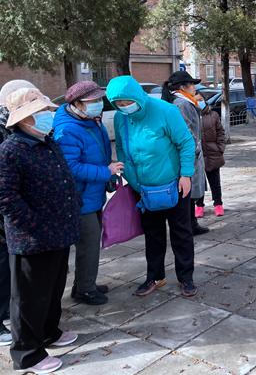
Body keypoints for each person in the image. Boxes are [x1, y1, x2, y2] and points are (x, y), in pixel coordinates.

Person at [0, 88, 82, 374]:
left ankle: (48, 332)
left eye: (47, 110)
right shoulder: (11, 150)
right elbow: (5, 197)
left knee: (52, 290)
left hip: (58, 234)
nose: (48, 115)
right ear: (24, 118)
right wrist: (35, 225)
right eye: (42, 111)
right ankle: (28, 354)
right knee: (28, 298)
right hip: (32, 239)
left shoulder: (46, 141)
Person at [106, 76, 198, 297]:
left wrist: (186, 174)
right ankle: (155, 276)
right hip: (143, 189)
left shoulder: (166, 111)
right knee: (153, 234)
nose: (124, 107)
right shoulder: (120, 118)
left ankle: (186, 277)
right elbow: (121, 147)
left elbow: (186, 143)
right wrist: (129, 176)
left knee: (181, 233)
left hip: (175, 185)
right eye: (119, 104)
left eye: (127, 102)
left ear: (138, 96)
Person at [52, 82, 123, 306]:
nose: (98, 104)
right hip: (79, 198)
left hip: (93, 193)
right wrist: (106, 171)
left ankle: (83, 284)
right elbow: (70, 167)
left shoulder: (91, 121)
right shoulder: (68, 129)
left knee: (91, 244)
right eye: (93, 101)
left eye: (100, 99)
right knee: (89, 245)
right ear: (77, 104)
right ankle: (85, 291)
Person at [0, 80, 36, 347]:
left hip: (16, 217)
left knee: (12, 273)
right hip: (8, 218)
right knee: (2, 270)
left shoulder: (20, 128)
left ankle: (11, 315)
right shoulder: (6, 136)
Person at [162, 71, 209, 235]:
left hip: (189, 154)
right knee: (186, 190)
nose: (194, 87)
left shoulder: (184, 101)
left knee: (187, 192)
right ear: (182, 87)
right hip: (188, 155)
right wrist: (195, 148)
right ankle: (189, 225)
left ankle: (191, 223)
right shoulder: (182, 104)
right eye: (192, 84)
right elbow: (186, 132)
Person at [195, 92, 227, 217]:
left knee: (215, 183)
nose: (199, 102)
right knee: (198, 183)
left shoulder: (213, 115)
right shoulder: (191, 115)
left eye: (201, 99)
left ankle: (218, 205)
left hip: (213, 153)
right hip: (197, 156)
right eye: (196, 100)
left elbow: (221, 132)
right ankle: (199, 206)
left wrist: (220, 149)